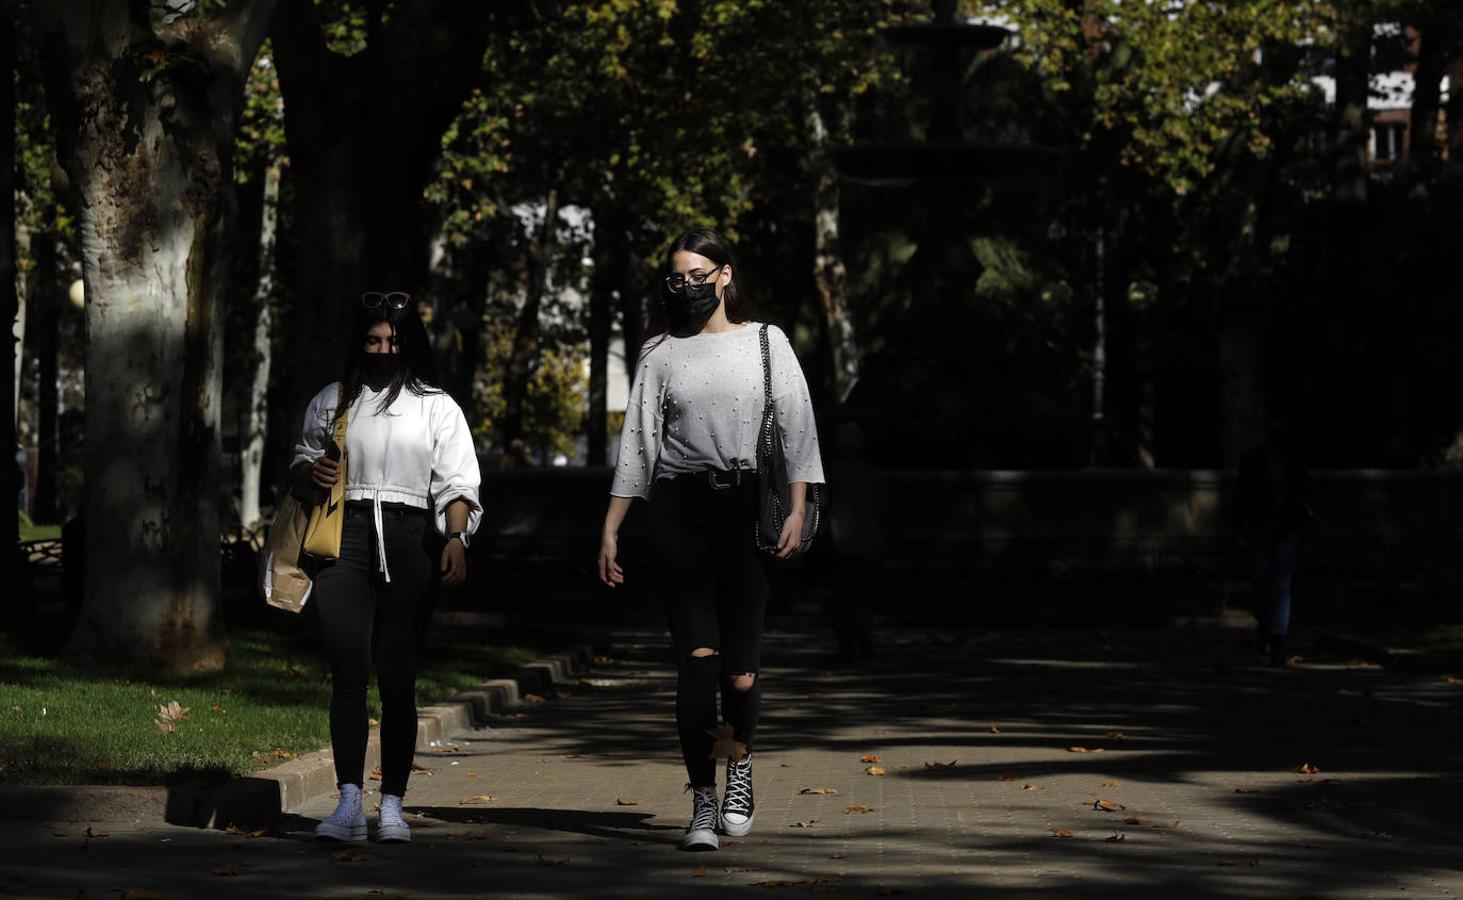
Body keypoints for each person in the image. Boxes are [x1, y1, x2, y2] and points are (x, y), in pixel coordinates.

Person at [597, 229, 825, 851]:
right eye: (678, 277)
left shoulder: (767, 342)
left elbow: (800, 431)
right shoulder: (660, 352)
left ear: (725, 275)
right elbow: (637, 447)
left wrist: (798, 509)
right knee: (697, 661)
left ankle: (740, 765)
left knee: (743, 673)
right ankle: (702, 799)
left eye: (700, 274)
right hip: (678, 512)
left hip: (746, 509)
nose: (688, 286)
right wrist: (612, 529)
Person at [291, 290, 482, 843]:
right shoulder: (334, 400)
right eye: (373, 340)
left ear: (409, 344)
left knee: (398, 679)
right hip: (343, 538)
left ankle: (392, 803)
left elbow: (458, 482)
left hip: (409, 541)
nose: (382, 349)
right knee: (347, 672)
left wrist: (456, 538)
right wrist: (311, 476)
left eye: (392, 341)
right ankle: (349, 800)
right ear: (359, 343)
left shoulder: (436, 405)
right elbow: (298, 468)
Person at [1234, 415, 1312, 667]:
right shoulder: (1252, 460)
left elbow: (1302, 498)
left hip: (1286, 529)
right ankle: (1266, 624)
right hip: (1260, 529)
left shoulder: (1295, 461)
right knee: (1262, 583)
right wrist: (1239, 530)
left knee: (1280, 586)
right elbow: (1241, 497)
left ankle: (1278, 639)